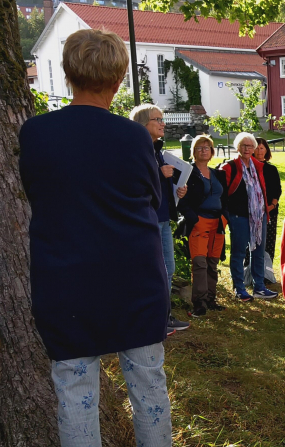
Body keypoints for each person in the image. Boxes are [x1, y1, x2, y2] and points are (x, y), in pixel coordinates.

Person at [19, 28, 173, 446]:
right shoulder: (134, 136)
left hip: (64, 281)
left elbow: (37, 192)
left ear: (67, 73)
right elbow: (151, 195)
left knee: (75, 397)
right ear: (119, 79)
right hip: (134, 282)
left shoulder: (35, 133)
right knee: (150, 393)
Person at [130, 103, 190, 334]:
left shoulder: (157, 150)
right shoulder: (136, 149)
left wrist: (176, 189)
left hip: (163, 216)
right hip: (148, 219)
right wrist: (158, 173)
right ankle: (155, 319)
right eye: (158, 119)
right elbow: (133, 181)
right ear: (144, 123)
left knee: (168, 269)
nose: (163, 123)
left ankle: (163, 316)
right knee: (154, 269)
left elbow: (158, 187)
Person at [219, 132, 278, 301]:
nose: (247, 149)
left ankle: (259, 287)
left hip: (259, 216)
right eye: (244, 145)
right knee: (238, 253)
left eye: (250, 146)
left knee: (259, 252)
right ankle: (240, 289)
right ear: (238, 147)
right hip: (238, 216)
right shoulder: (229, 167)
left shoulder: (258, 166)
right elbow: (223, 193)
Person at [179, 135, 229, 318]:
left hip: (218, 223)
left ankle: (210, 299)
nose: (203, 150)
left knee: (212, 263)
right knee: (199, 263)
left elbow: (225, 198)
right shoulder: (187, 173)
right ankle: (199, 303)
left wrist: (225, 217)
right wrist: (194, 218)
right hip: (199, 222)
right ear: (193, 151)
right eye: (199, 147)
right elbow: (180, 200)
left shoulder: (217, 174)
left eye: (207, 147)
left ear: (212, 152)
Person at [255, 137, 282, 262]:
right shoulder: (248, 167)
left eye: (262, 148)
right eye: (256, 148)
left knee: (268, 242)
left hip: (270, 210)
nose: (259, 151)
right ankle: (250, 271)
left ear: (266, 150)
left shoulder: (272, 169)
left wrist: (272, 205)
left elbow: (277, 190)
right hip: (252, 212)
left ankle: (267, 272)